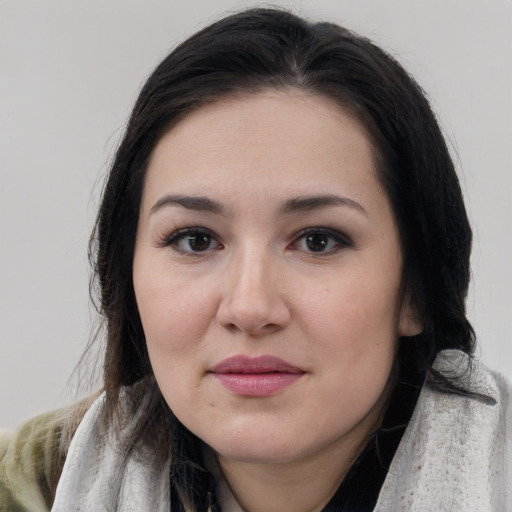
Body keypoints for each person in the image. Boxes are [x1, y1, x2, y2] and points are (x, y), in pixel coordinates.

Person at [0, 7, 510, 512]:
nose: (250, 308)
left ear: (415, 288)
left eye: (318, 241)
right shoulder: (30, 486)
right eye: (196, 240)